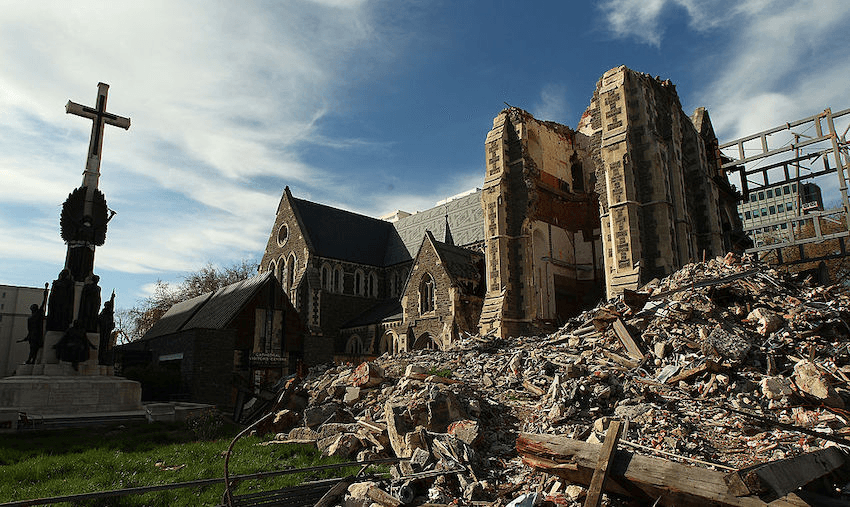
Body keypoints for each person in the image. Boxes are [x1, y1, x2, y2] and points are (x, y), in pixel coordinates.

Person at [17, 284, 48, 364]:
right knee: (33, 348)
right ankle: (31, 360)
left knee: (34, 348)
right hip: (33, 335)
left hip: (36, 334)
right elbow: (29, 329)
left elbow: (44, 302)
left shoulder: (36, 315)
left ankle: (32, 360)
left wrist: (46, 290)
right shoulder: (32, 317)